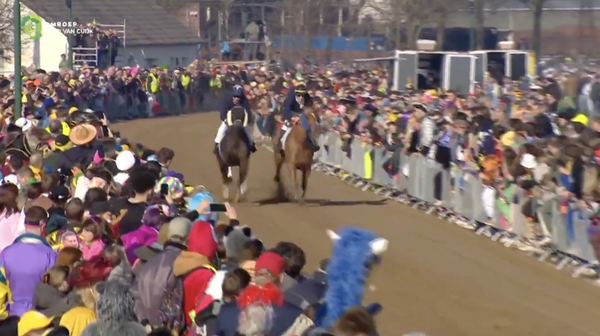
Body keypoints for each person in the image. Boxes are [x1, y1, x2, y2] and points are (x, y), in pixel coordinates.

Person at [214, 85, 256, 154]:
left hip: (240, 121)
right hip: (229, 119)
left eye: (238, 97)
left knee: (247, 132)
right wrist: (225, 119)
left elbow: (247, 112)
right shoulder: (227, 100)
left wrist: (247, 121)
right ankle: (216, 145)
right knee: (221, 130)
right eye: (235, 96)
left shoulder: (244, 101)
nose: (236, 98)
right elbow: (223, 111)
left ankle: (251, 145)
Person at [281, 82, 319, 152]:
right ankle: (282, 145)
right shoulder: (291, 98)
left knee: (307, 128)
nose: (301, 96)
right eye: (299, 95)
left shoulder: (307, 97)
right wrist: (291, 117)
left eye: (302, 95)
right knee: (286, 129)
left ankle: (311, 143)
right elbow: (286, 109)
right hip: (291, 113)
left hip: (302, 114)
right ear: (296, 93)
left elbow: (310, 106)